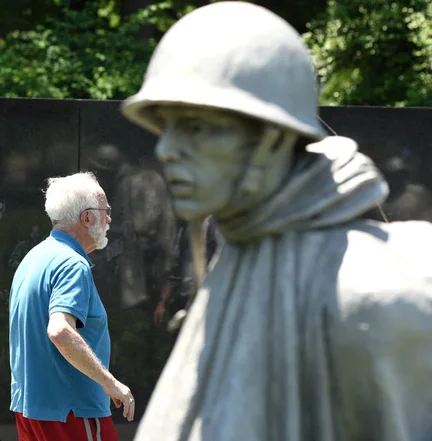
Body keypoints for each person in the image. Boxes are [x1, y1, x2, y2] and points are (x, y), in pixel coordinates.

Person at [120, 2, 432, 441]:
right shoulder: (239, 262)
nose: (166, 149)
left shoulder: (368, 295)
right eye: (167, 127)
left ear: (271, 137)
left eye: (196, 127)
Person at [9, 172, 134, 441]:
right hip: (73, 413)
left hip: (31, 411)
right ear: (87, 218)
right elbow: (60, 331)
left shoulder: (32, 259)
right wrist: (111, 383)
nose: (110, 219)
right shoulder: (71, 265)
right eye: (106, 211)